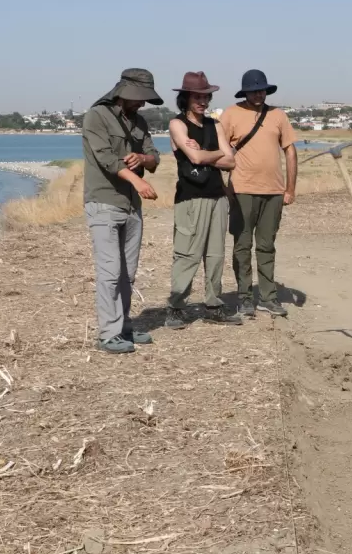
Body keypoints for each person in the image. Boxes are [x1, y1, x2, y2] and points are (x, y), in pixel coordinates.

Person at [81, 68, 163, 354]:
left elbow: (155, 158)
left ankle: (124, 326)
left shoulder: (139, 121)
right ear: (124, 92)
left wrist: (142, 158)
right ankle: (108, 334)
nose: (142, 103)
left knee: (128, 272)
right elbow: (106, 159)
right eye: (139, 98)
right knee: (110, 271)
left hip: (131, 207)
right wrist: (137, 180)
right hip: (104, 203)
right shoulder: (96, 116)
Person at [165, 72, 242, 329]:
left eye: (205, 96)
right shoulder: (177, 124)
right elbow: (195, 159)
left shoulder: (214, 125)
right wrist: (214, 154)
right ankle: (176, 307)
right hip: (191, 197)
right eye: (197, 96)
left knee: (216, 253)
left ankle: (214, 305)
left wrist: (206, 153)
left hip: (217, 196)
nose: (202, 101)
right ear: (185, 98)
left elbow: (230, 161)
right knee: (187, 253)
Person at [220, 69, 298, 317]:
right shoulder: (231, 114)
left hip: (274, 192)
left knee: (267, 245)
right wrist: (224, 187)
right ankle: (244, 298)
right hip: (242, 190)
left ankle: (268, 297)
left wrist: (290, 189)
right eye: (254, 90)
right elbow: (219, 151)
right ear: (245, 92)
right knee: (242, 245)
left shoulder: (278, 115)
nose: (259, 94)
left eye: (262, 89)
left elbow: (290, 151)